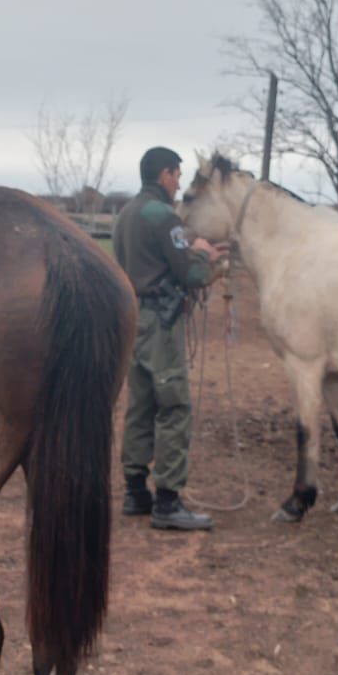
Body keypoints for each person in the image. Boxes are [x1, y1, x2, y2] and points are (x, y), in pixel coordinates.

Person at [113, 146, 229, 531]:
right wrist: (211, 260)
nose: (179, 182)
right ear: (164, 174)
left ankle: (135, 491)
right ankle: (168, 501)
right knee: (174, 407)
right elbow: (189, 276)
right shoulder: (164, 216)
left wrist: (193, 251)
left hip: (134, 319)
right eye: (177, 175)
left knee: (141, 405)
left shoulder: (127, 214)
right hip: (162, 325)